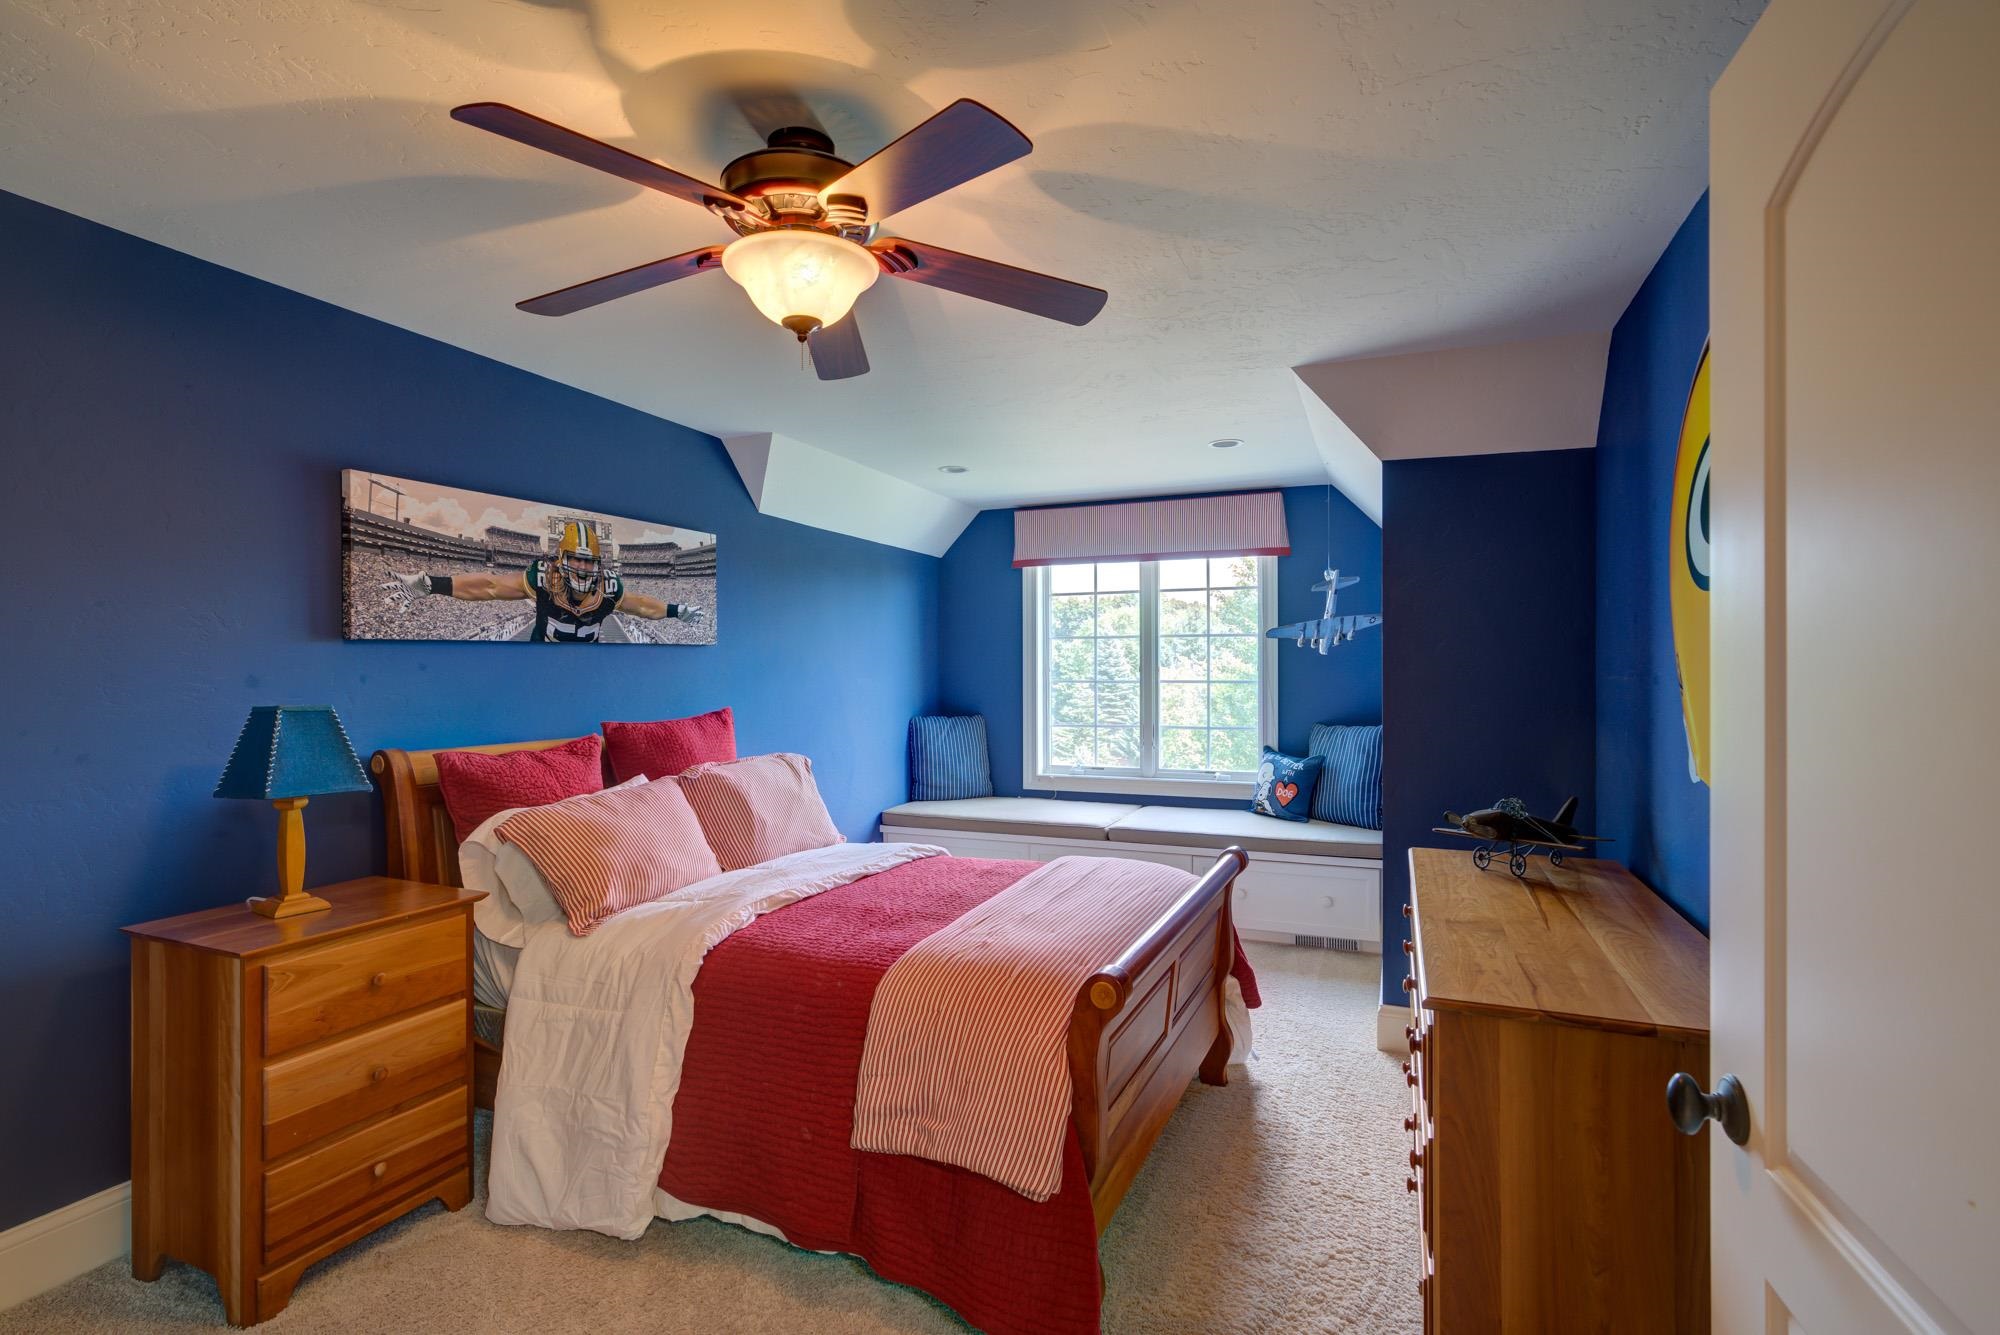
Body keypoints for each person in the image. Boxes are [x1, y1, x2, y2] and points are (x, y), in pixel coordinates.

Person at [390, 520, 705, 643]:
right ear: (560, 559)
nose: (582, 567)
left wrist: (676, 610)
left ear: (599, 564)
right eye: (576, 559)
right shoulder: (543, 577)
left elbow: (641, 605)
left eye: (589, 561)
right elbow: (490, 586)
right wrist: (433, 584)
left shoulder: (609, 586)